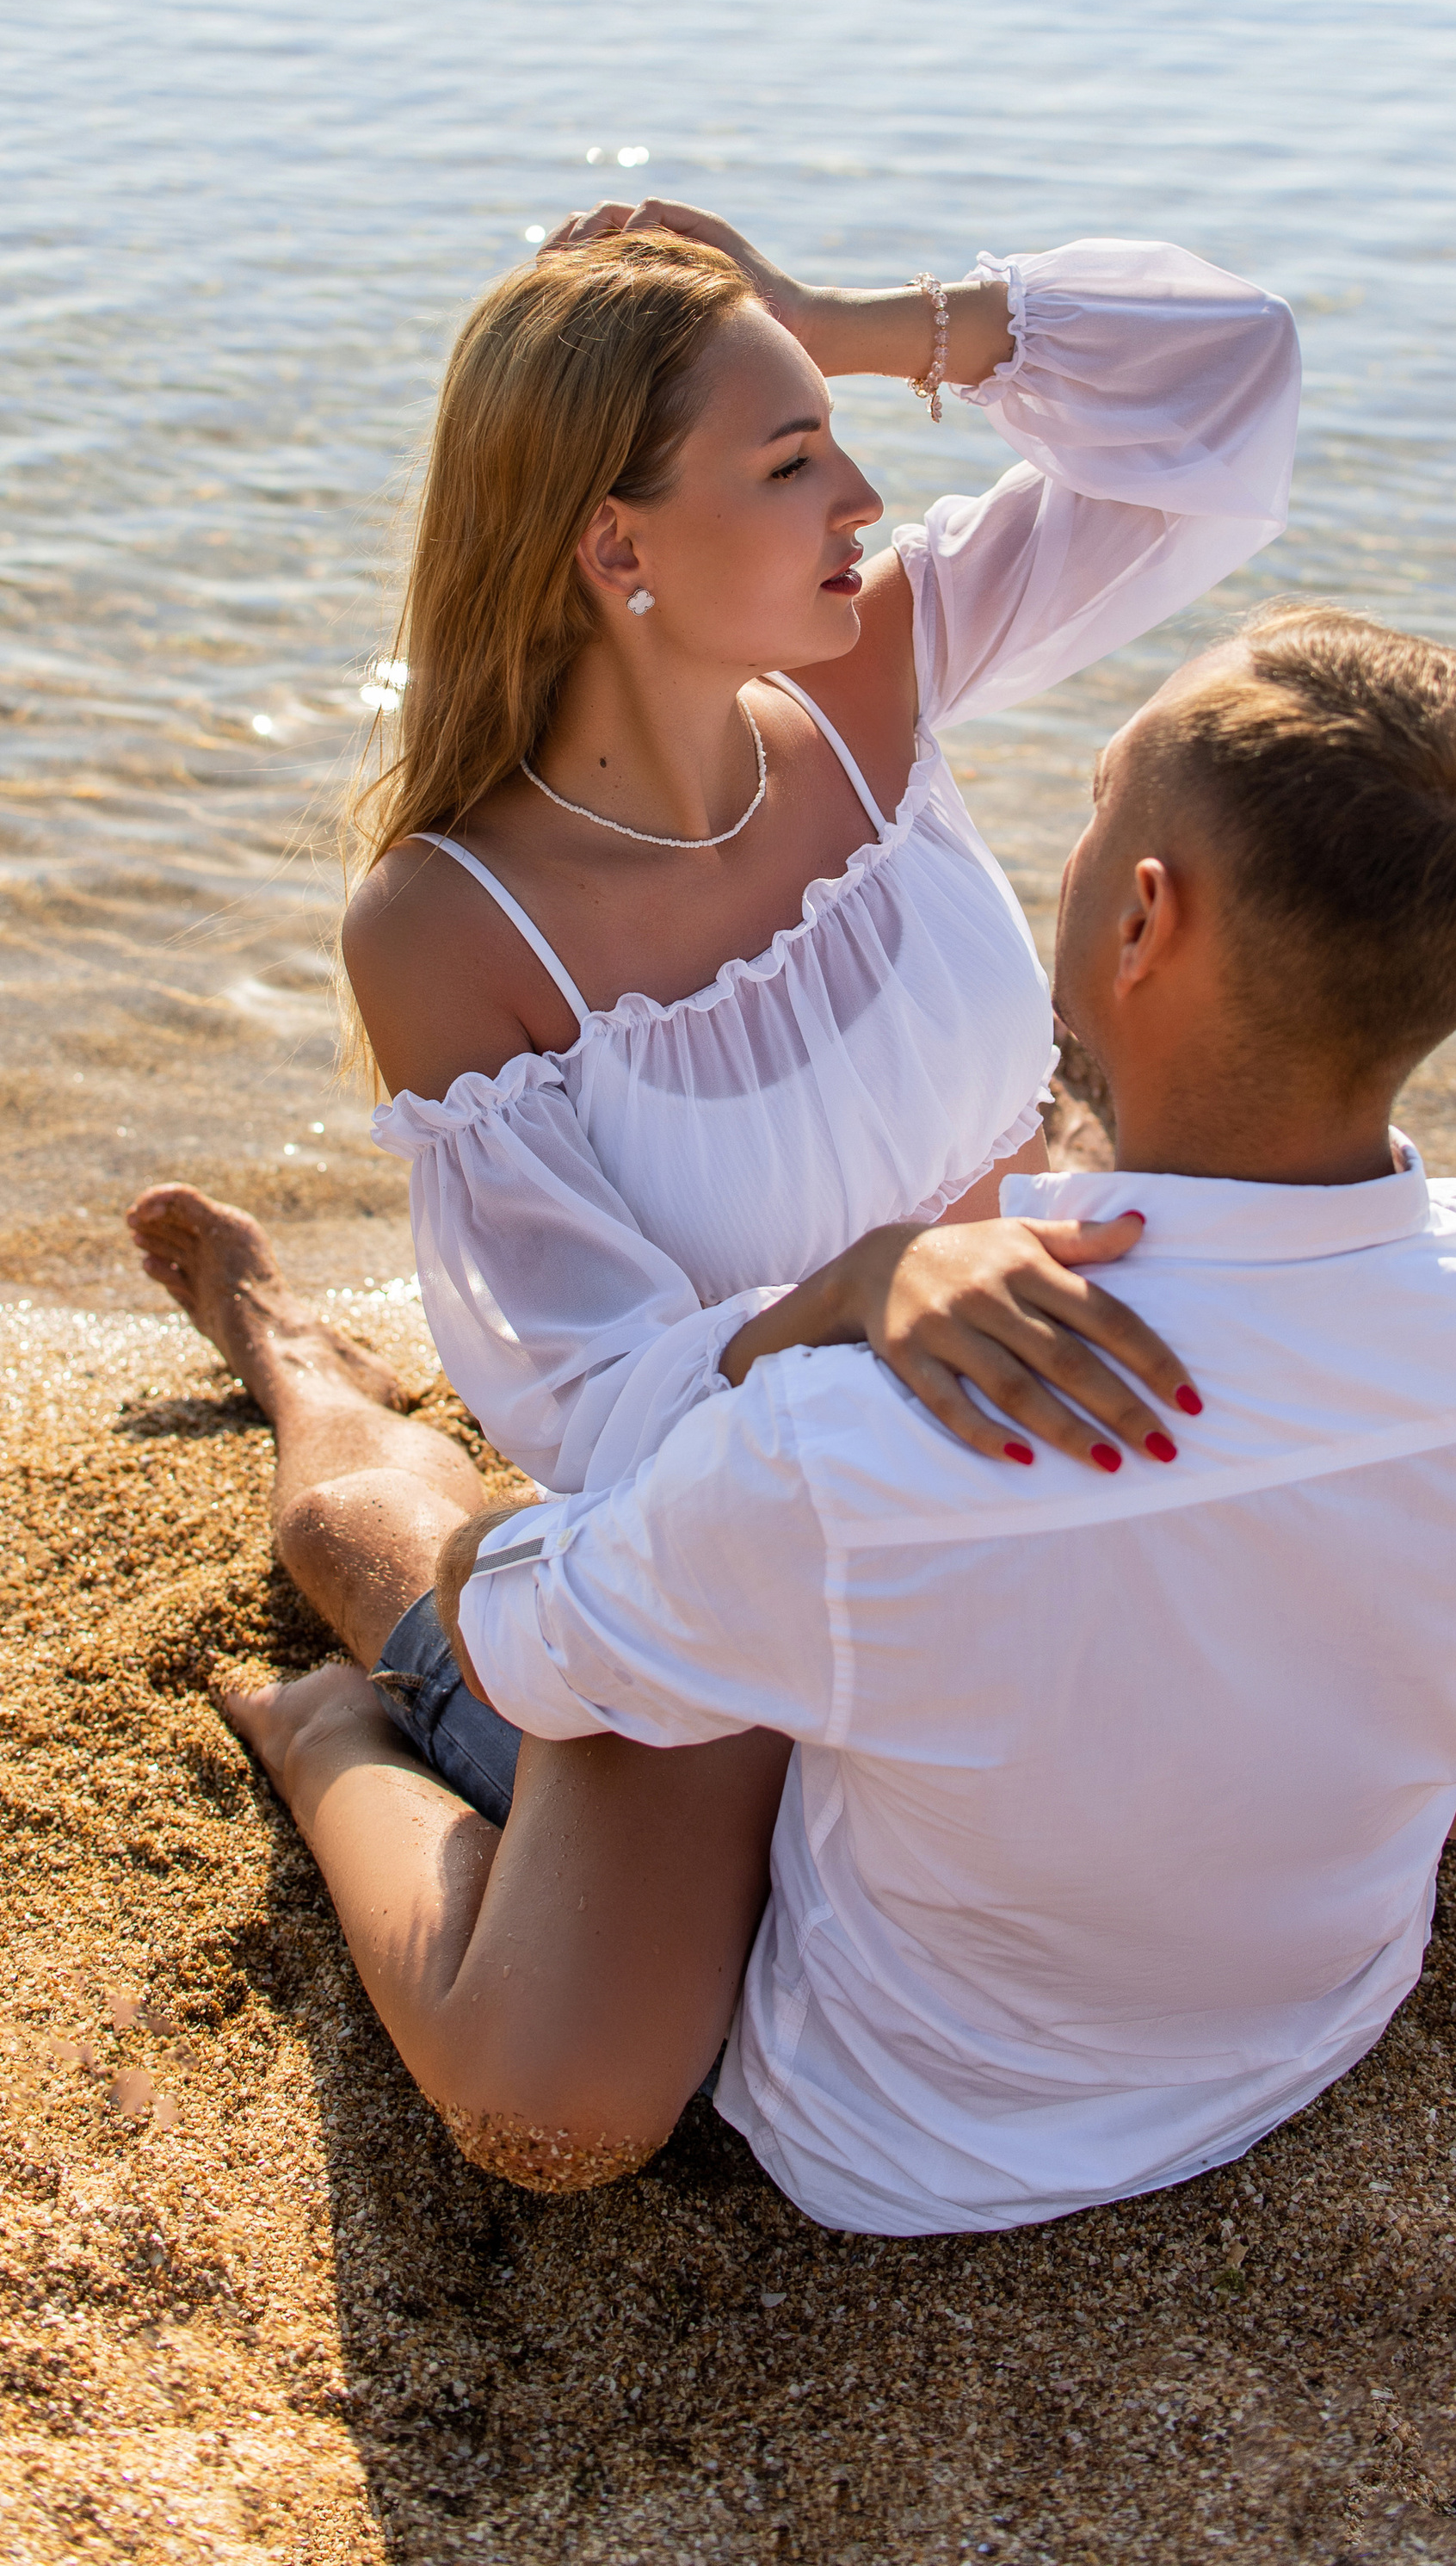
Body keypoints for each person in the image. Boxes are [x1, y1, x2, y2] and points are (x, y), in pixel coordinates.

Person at [149, 606, 1456, 2234]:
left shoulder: (861, 1444)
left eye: (1100, 799)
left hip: (912, 2128)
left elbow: (520, 1615)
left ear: (1143, 923)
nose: (1075, 837)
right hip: (1307, 1998)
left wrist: (786, 1332)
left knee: (425, 1656)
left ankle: (318, 1598)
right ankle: (306, 1359)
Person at [132, 199, 1300, 1983]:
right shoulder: (453, 924)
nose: (859, 502)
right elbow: (594, 1404)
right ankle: (297, 1381)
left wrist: (835, 322)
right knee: (594, 2037)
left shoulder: (870, 675)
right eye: (788, 461)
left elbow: (1229, 384)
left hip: (1058, 1417)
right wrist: (854, 1299)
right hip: (757, 1510)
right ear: (619, 551)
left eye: (836, 445)